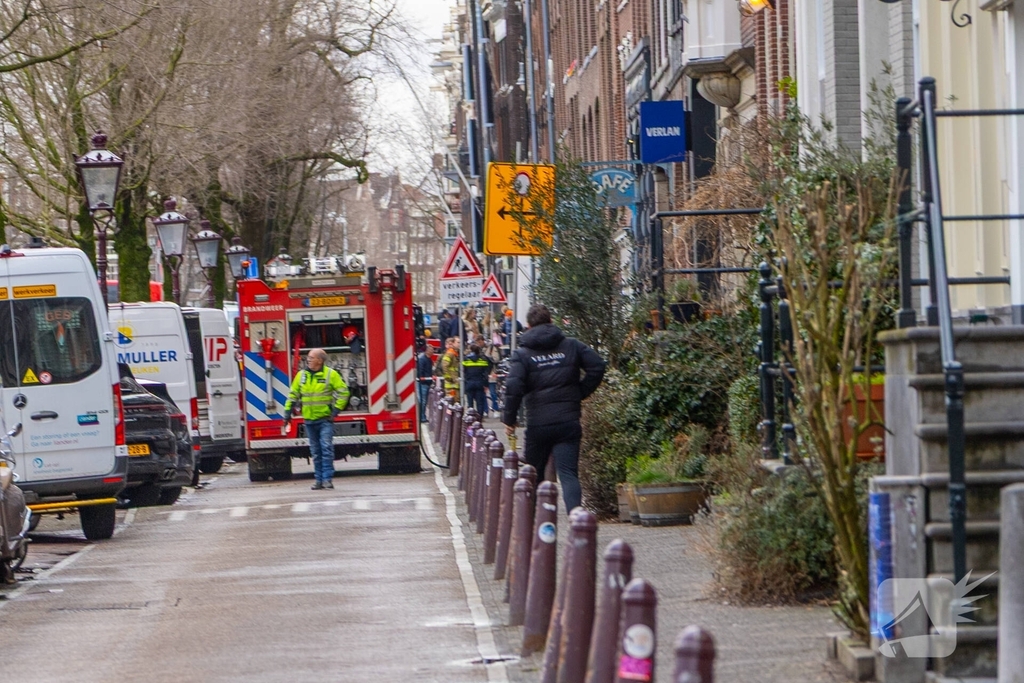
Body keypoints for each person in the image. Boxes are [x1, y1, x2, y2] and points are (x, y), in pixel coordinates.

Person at [501, 304, 606, 513]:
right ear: (551, 321)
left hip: (538, 424)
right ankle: (576, 518)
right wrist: (579, 393)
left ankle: (533, 524)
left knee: (533, 473)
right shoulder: (571, 346)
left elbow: (514, 387)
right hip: (568, 421)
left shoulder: (522, 354)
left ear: (529, 326)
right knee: (568, 473)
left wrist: (509, 419)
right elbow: (598, 366)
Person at [283, 348, 350, 490]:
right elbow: (293, 395)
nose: (308, 360)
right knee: (315, 452)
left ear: (320, 360)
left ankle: (327, 479)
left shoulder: (330, 375)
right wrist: (287, 413)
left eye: (311, 357)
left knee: (326, 449)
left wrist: (335, 411)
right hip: (309, 421)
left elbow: (344, 392)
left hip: (325, 420)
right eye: (308, 357)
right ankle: (318, 480)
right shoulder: (302, 376)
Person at [461, 342, 492, 417]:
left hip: (469, 382)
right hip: (479, 383)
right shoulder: (482, 360)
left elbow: (463, 371)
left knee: (470, 402)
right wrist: (485, 384)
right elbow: (486, 372)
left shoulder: (466, 359)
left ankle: (470, 417)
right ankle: (479, 418)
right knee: (480, 402)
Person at [416, 340, 434, 423]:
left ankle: (423, 416)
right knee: (423, 401)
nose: (433, 351)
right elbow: (421, 371)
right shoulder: (423, 359)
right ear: (427, 350)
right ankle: (422, 416)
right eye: (431, 349)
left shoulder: (428, 359)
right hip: (423, 383)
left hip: (427, 382)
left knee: (424, 401)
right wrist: (422, 378)